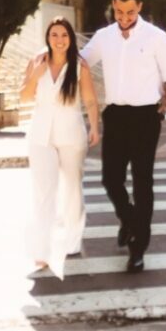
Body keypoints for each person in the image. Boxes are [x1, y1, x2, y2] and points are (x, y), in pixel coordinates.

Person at [81, 0, 166, 271]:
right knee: (110, 179)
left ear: (140, 8)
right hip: (115, 115)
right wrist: (49, 54)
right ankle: (128, 219)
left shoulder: (157, 38)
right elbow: (81, 62)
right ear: (113, 6)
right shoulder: (104, 37)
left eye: (130, 12)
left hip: (146, 117)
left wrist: (161, 111)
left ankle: (138, 248)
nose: (124, 18)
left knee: (142, 182)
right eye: (119, 12)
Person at [21, 17, 100, 277]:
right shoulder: (37, 61)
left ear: (70, 39)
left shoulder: (79, 66)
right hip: (40, 135)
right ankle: (41, 251)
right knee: (43, 192)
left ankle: (73, 239)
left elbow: (90, 100)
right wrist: (36, 75)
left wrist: (95, 127)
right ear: (48, 37)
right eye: (54, 35)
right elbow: (24, 96)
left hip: (71, 134)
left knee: (72, 189)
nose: (59, 40)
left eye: (64, 35)